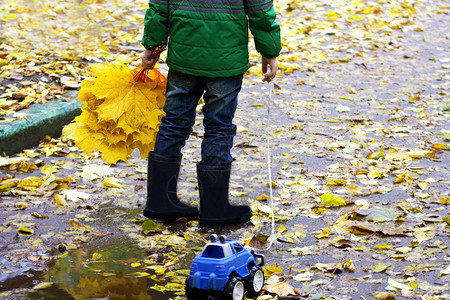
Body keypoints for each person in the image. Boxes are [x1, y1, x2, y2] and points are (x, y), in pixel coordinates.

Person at [141, 0, 281, 226]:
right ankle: (215, 207)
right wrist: (270, 51)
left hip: (184, 56)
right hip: (225, 60)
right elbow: (261, 13)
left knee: (174, 123)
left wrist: (153, 45)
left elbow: (159, 8)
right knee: (219, 127)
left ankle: (159, 201)